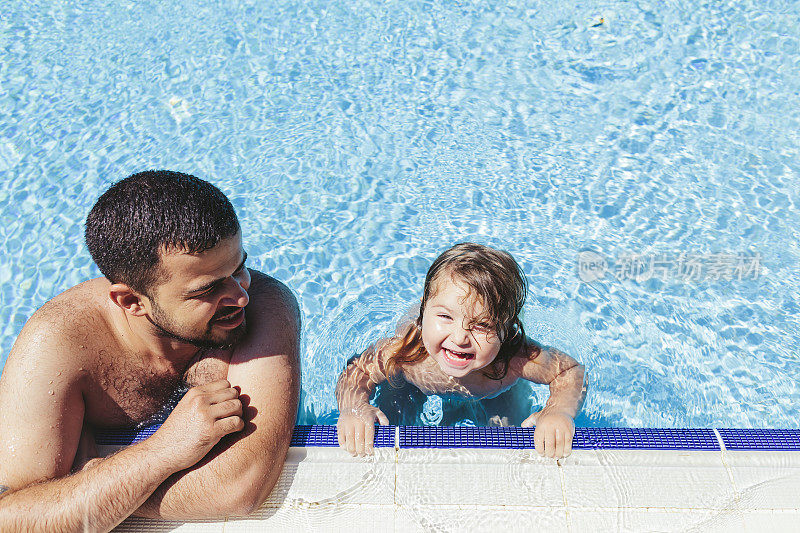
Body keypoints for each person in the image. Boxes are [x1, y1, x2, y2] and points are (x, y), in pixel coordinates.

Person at [0, 171, 300, 531]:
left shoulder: (265, 304)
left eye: (240, 267)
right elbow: (13, 516)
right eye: (207, 289)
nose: (241, 296)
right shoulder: (59, 346)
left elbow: (240, 488)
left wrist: (92, 484)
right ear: (131, 301)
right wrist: (162, 450)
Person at [336, 242, 585, 458]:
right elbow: (358, 369)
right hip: (411, 385)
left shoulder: (513, 360)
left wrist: (557, 410)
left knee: (512, 437)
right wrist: (354, 407)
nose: (459, 338)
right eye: (445, 316)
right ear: (424, 311)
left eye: (481, 325)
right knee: (386, 425)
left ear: (506, 331)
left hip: (495, 390)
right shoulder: (407, 352)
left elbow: (570, 371)